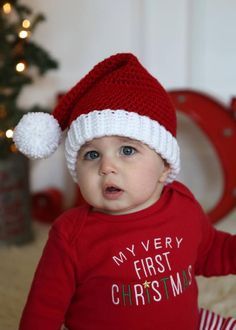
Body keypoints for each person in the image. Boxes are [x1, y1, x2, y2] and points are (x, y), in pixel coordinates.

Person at [14, 53, 236, 330]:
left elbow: (210, 250)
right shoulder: (71, 235)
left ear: (165, 167)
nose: (107, 166)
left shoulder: (182, 205)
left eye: (127, 150)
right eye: (92, 154)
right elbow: (42, 310)